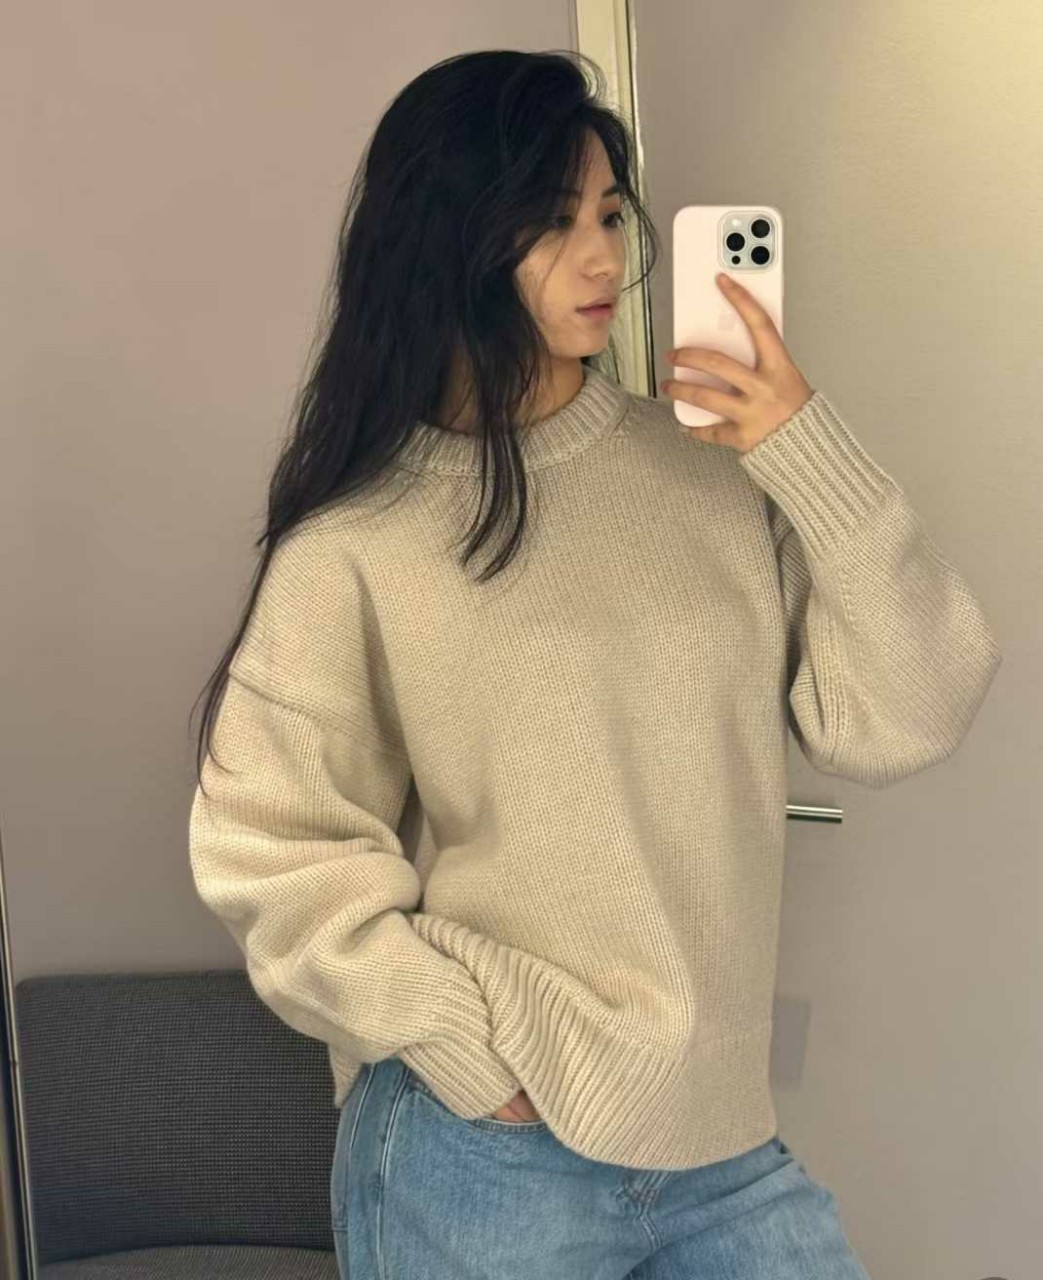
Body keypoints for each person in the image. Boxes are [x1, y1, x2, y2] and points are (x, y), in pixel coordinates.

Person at [187, 48, 1001, 1280]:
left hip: (718, 1141)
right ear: (450, 239)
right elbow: (269, 846)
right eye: (550, 220)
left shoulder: (715, 477)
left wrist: (805, 449)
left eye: (610, 215)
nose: (601, 258)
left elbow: (910, 709)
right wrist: (457, 1043)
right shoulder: (359, 542)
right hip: (487, 1144)